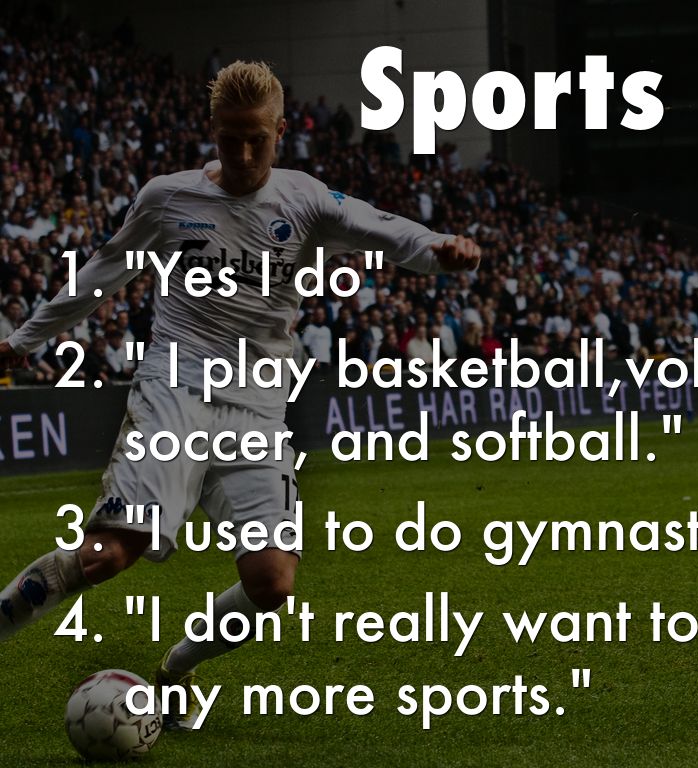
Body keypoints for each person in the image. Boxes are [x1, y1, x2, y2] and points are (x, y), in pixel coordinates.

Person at [0, 61, 480, 726]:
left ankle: (175, 671)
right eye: (231, 139)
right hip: (174, 390)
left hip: (257, 408)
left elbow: (384, 228)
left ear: (279, 132)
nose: (245, 153)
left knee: (272, 582)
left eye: (257, 139)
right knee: (107, 555)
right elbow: (101, 274)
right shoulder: (168, 198)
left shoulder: (305, 199)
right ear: (213, 131)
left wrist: (438, 249)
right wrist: (22, 341)